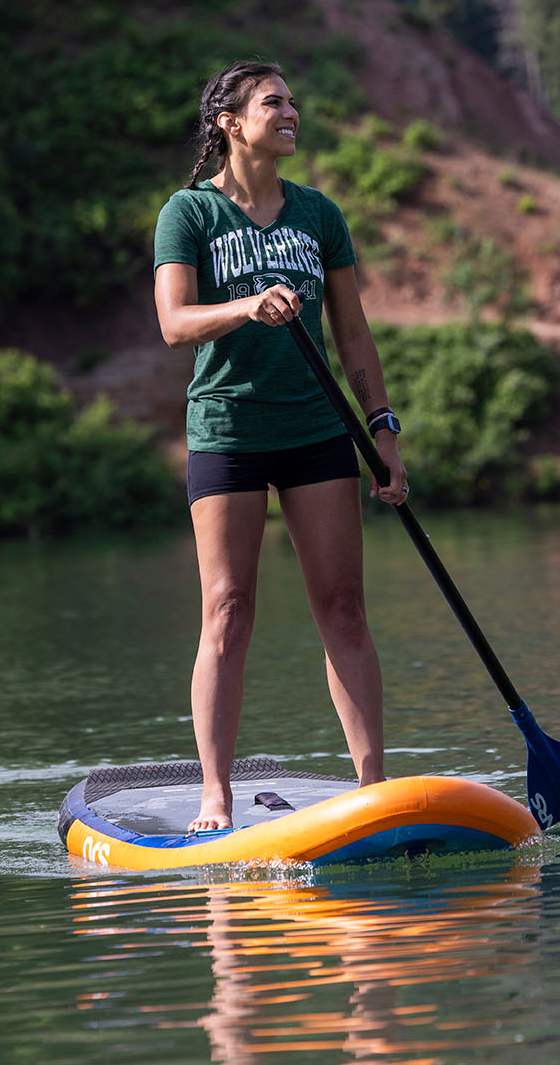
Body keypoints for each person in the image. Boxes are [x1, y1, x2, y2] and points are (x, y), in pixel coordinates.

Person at [153, 60, 407, 834]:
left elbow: (353, 334)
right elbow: (173, 322)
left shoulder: (318, 214)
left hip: (315, 429)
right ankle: (215, 796)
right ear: (231, 121)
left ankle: (373, 786)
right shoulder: (188, 213)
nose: (291, 111)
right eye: (274, 102)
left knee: (343, 605)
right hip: (228, 431)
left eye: (294, 100)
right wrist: (244, 305)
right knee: (227, 610)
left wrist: (382, 427)